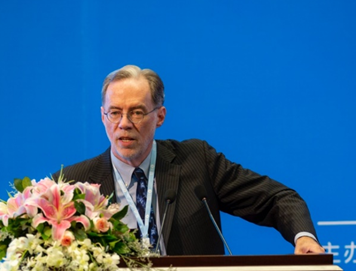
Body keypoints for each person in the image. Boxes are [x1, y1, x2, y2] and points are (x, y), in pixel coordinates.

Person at [58, 65, 324, 256]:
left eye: (137, 112)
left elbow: (276, 198)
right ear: (102, 116)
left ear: (160, 116)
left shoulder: (196, 162)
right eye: (115, 113)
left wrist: (304, 237)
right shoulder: (74, 184)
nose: (124, 124)